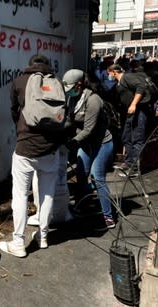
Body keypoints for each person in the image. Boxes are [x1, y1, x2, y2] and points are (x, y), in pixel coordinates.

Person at [0, 54, 65, 257]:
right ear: (48, 66)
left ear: (30, 65)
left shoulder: (19, 81)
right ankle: (43, 236)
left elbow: (13, 111)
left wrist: (21, 129)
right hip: (50, 150)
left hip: (26, 148)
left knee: (20, 195)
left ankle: (18, 242)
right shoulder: (58, 83)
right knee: (47, 195)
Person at [62, 69, 116, 229]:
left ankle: (108, 216)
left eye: (71, 88)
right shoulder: (72, 99)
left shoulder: (93, 100)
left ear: (79, 85)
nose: (69, 92)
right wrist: (56, 128)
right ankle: (82, 206)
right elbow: (70, 121)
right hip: (85, 143)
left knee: (97, 176)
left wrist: (70, 144)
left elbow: (88, 130)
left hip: (102, 143)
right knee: (80, 174)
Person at [107, 64, 153, 177]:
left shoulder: (127, 77)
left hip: (139, 111)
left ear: (113, 72)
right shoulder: (119, 83)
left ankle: (134, 168)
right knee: (126, 137)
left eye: (108, 73)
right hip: (129, 114)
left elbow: (141, 86)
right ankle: (128, 162)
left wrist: (133, 104)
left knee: (137, 139)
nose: (108, 76)